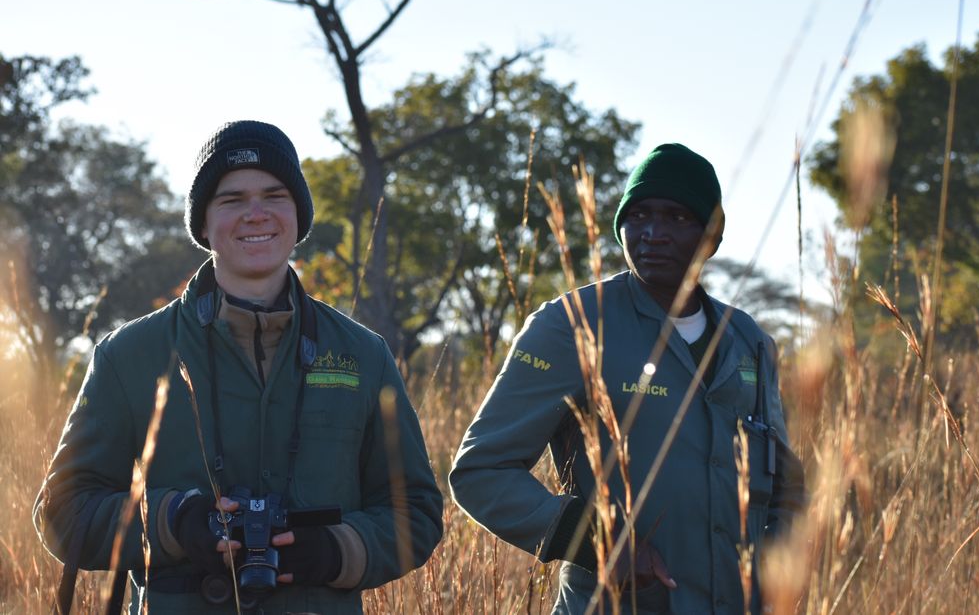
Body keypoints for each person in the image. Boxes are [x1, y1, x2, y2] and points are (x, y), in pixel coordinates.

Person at [34, 120, 443, 614]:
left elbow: (415, 514)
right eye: (231, 200)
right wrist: (172, 521)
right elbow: (62, 512)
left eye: (274, 195)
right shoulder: (129, 354)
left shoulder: (363, 354)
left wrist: (337, 550)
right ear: (203, 225)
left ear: (298, 216)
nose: (255, 214)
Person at [449, 143, 805, 614]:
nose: (654, 233)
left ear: (710, 235)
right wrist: (598, 540)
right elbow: (481, 471)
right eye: (639, 216)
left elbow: (785, 487)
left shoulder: (750, 341)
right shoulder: (571, 324)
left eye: (677, 218)